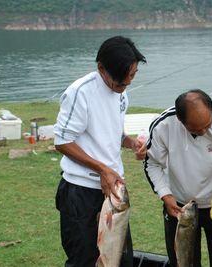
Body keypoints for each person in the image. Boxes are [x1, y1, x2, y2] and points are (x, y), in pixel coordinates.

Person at [54, 36, 147, 267]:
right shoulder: (80, 92)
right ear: (101, 69)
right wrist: (102, 169)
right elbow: (63, 141)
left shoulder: (121, 93)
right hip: (81, 191)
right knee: (84, 260)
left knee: (117, 258)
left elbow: (111, 133)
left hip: (113, 190)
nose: (127, 84)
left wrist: (130, 142)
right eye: (120, 82)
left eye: (133, 76)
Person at [144, 89, 212, 267]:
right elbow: (152, 164)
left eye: (207, 125)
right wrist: (165, 194)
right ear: (180, 120)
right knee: (183, 261)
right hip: (179, 206)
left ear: (211, 110)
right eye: (196, 128)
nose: (203, 131)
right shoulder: (164, 125)